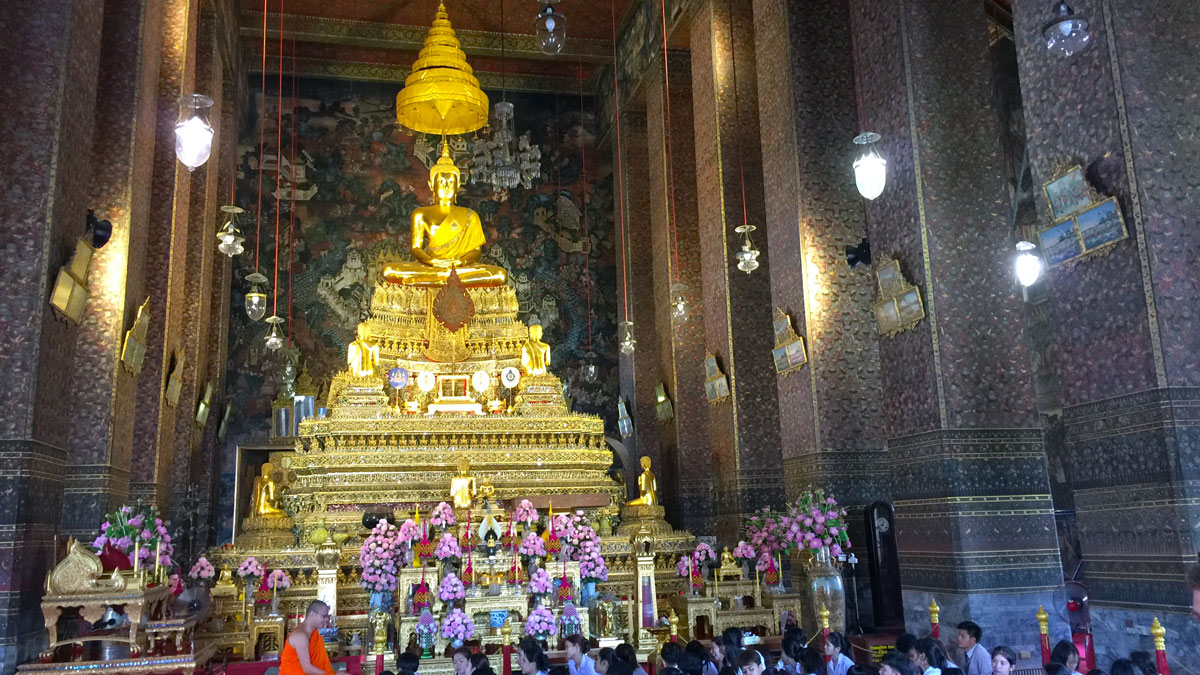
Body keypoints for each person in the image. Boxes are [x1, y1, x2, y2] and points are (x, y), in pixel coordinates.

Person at [280, 600, 333, 675]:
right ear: (312, 614)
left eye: (327, 616)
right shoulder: (301, 636)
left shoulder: (314, 632)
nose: (327, 619)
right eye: (323, 616)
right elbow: (307, 669)